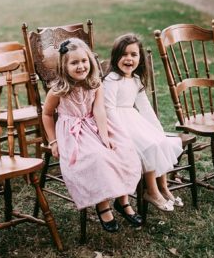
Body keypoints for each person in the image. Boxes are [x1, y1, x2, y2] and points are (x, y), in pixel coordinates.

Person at [42, 38, 142, 232]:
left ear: (91, 61)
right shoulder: (58, 90)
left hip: (95, 125)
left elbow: (99, 112)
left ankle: (123, 201)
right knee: (97, 158)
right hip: (73, 132)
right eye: (74, 63)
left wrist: (105, 136)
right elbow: (47, 114)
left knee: (123, 148)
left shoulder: (95, 84)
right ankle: (102, 204)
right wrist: (53, 141)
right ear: (64, 66)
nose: (81, 66)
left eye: (84, 61)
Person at [103, 34, 184, 212]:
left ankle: (163, 187)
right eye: (124, 54)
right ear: (115, 57)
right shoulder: (112, 80)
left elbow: (145, 107)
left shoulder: (136, 80)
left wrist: (158, 129)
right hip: (117, 124)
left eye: (133, 54)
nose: (128, 59)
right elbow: (108, 109)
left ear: (140, 59)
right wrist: (120, 132)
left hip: (133, 120)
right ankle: (152, 191)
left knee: (160, 141)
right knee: (148, 146)